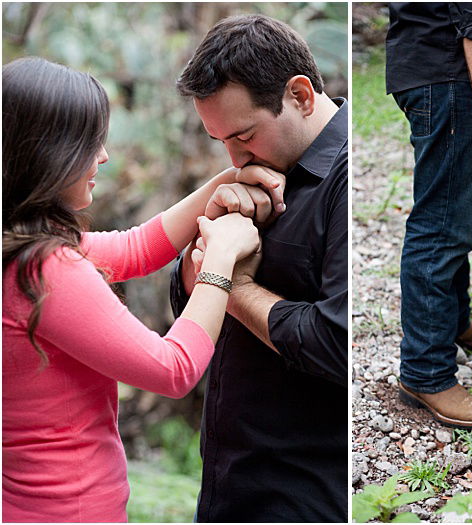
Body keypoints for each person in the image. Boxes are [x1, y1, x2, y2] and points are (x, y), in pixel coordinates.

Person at [2, 57, 282, 522]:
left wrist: (226, 180)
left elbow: (135, 249)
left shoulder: (18, 246)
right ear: (47, 152)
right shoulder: (43, 271)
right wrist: (220, 258)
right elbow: (173, 369)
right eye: (90, 144)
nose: (104, 156)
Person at [170, 14, 348, 522]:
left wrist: (234, 283)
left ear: (300, 95)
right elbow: (185, 300)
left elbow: (337, 344)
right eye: (221, 140)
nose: (233, 155)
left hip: (302, 493)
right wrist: (208, 239)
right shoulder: (253, 167)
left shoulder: (343, 182)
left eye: (243, 134)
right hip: (226, 482)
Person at [385, 3, 472, 429]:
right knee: (442, 224)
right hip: (450, 71)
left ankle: (453, 321)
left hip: (438, 67)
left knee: (451, 214)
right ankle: (426, 373)